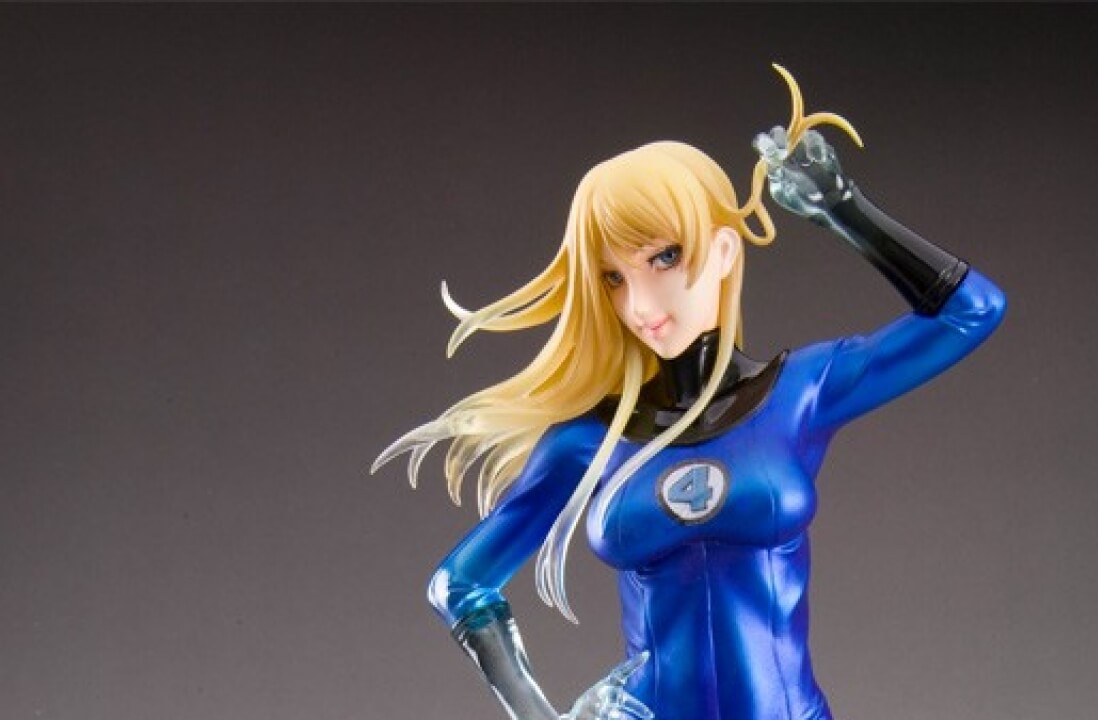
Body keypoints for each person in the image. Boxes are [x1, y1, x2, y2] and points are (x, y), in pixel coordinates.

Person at [372, 66, 1005, 720]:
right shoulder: (592, 442)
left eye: (664, 257)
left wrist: (845, 210)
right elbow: (460, 584)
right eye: (613, 278)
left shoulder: (798, 395)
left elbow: (974, 311)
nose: (641, 302)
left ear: (724, 251)